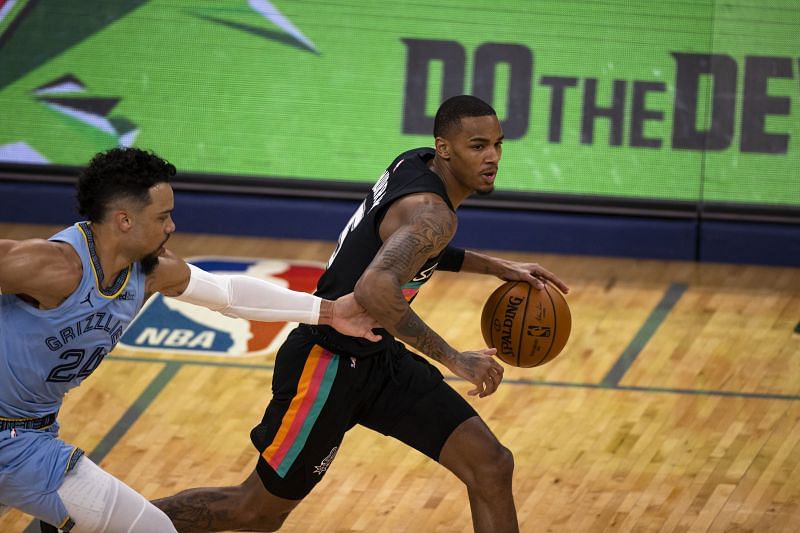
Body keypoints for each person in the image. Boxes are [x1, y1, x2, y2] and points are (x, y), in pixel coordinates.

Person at [153, 94, 570, 533]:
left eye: (498, 145)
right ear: (444, 148)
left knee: (491, 465)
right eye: (478, 146)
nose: (493, 157)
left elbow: (406, 249)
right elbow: (376, 287)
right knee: (254, 512)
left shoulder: (415, 163)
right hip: (327, 363)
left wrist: (496, 266)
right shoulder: (434, 213)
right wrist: (455, 359)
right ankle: (116, 519)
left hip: (376, 356)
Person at [0, 147, 380, 532]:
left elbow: (229, 294)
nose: (172, 227)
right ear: (125, 220)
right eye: (162, 216)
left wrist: (330, 312)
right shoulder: (52, 266)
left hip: (32, 436)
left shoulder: (149, 273)